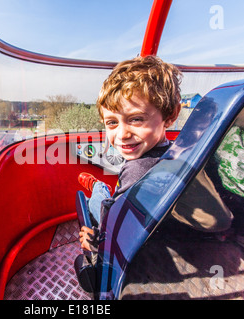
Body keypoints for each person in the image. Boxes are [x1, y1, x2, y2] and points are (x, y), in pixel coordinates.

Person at [78, 55, 182, 251]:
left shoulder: (137, 170)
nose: (123, 134)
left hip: (123, 221)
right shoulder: (178, 151)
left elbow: (113, 230)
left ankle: (97, 187)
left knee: (97, 199)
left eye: (135, 119)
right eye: (112, 122)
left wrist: (94, 241)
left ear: (170, 115)